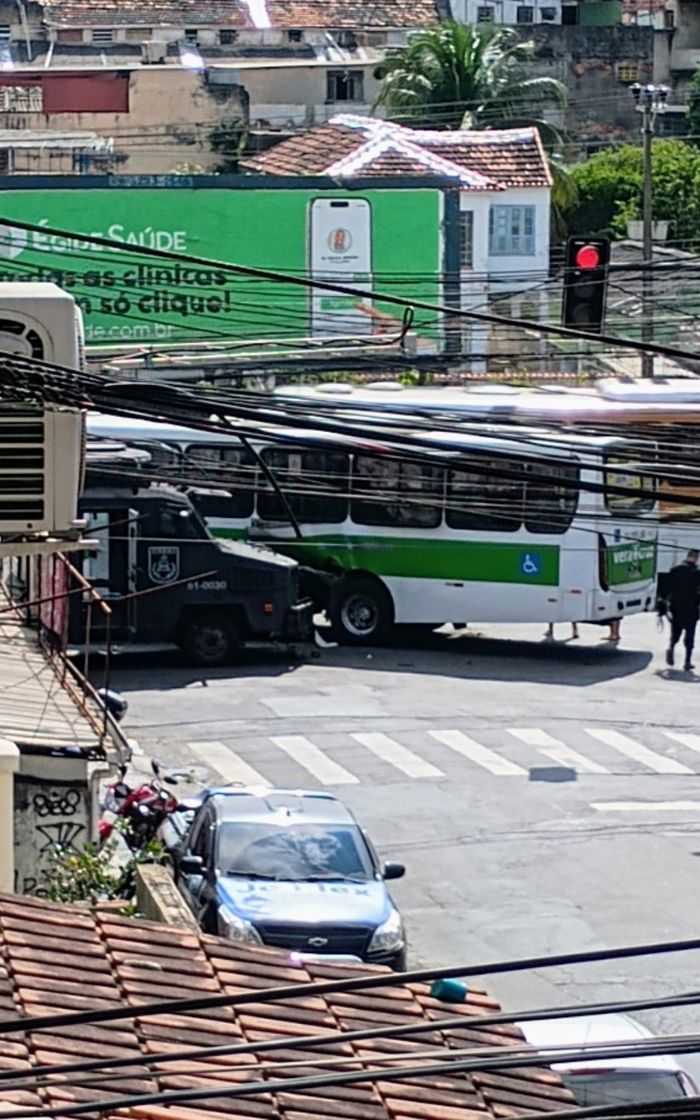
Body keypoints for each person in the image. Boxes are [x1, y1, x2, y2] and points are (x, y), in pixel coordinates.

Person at [661, 549, 700, 671]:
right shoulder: (697, 573)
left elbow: (666, 588)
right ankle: (687, 661)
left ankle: (671, 647)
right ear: (696, 558)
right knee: (690, 635)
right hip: (692, 608)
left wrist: (663, 602)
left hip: (676, 607)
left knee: (676, 631)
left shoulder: (675, 570)